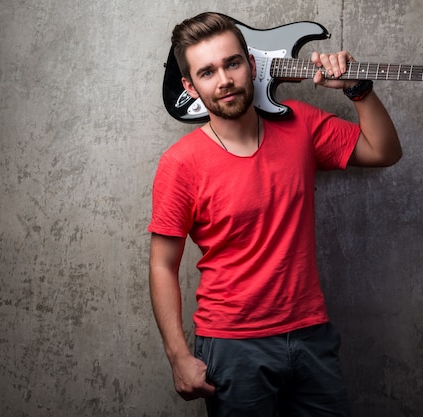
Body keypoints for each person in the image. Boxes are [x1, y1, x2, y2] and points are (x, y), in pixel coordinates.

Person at [148, 12, 401, 417]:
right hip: (231, 346)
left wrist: (357, 89)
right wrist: (177, 356)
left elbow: (384, 151)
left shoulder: (301, 124)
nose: (224, 80)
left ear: (251, 63)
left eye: (232, 63)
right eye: (207, 72)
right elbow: (162, 265)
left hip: (311, 335)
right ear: (190, 87)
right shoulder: (180, 163)